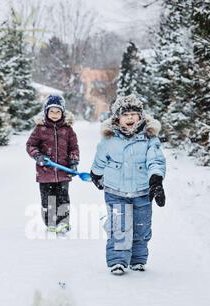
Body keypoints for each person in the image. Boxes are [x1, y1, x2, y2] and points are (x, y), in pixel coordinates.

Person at [90, 94, 166, 275]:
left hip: (142, 192)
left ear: (141, 116)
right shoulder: (109, 139)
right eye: (126, 114)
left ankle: (138, 260)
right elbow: (100, 159)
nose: (130, 118)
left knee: (142, 228)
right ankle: (118, 261)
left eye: (134, 114)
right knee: (119, 227)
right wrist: (96, 174)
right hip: (116, 192)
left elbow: (155, 160)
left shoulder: (149, 139)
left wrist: (156, 179)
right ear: (117, 117)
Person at [26, 95, 79, 234]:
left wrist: (73, 161)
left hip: (63, 172)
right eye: (52, 111)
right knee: (47, 199)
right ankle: (50, 222)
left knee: (63, 198)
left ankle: (63, 222)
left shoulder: (67, 130)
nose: (55, 115)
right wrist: (38, 156)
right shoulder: (40, 129)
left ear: (63, 112)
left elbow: (74, 147)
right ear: (46, 112)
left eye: (58, 112)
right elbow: (30, 145)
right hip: (45, 172)